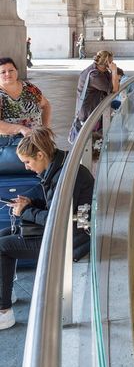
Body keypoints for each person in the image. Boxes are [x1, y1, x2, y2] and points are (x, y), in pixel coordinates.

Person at [0, 127, 94, 330]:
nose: (26, 167)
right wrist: (31, 203)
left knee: (2, 246)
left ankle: (3, 310)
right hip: (69, 233)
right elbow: (56, 208)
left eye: (28, 162)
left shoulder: (65, 176)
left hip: (71, 243)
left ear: (41, 155)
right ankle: (4, 290)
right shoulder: (60, 168)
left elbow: (59, 218)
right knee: (4, 235)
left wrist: (25, 211)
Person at [0, 57, 51, 143]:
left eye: (11, 70)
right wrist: (20, 129)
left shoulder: (29, 88)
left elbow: (46, 105)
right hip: (8, 143)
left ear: (16, 71)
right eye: (3, 72)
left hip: (36, 139)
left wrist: (46, 129)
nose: (8, 74)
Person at [75, 50, 119, 128]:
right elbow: (115, 89)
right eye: (111, 62)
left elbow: (114, 84)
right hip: (88, 115)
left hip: (95, 110)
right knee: (92, 136)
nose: (113, 64)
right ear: (106, 63)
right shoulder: (95, 75)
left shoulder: (102, 71)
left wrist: (112, 73)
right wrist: (114, 71)